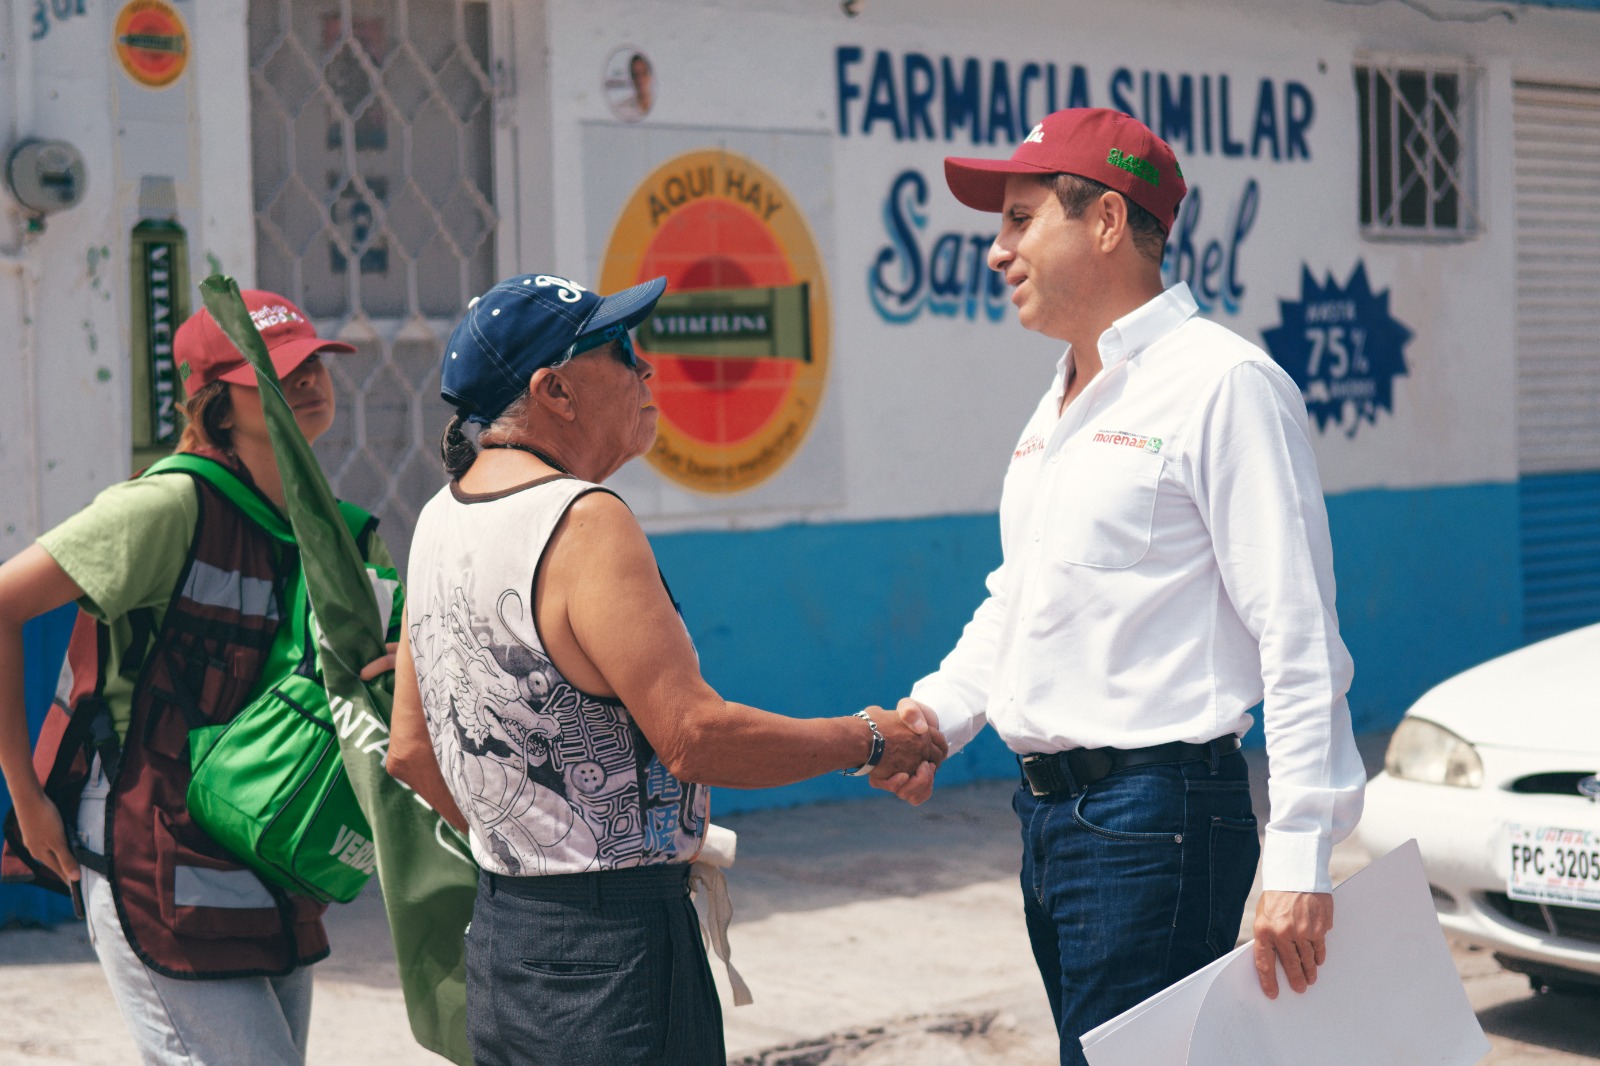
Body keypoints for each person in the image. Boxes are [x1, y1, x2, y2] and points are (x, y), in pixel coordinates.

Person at [869, 108, 1367, 1064]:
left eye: (1019, 220)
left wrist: (1302, 852)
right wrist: (935, 715)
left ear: (1104, 220)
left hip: (1158, 818)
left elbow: (1298, 633)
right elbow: (1020, 599)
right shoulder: (1061, 401)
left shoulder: (1222, 384)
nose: (994, 250)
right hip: (1057, 823)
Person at [385, 271, 948, 1066]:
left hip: (508, 938)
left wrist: (530, 847)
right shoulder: (582, 521)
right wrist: (866, 739)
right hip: (614, 953)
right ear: (556, 392)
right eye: (620, 352)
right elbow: (693, 736)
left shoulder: (438, 520)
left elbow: (409, 750)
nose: (646, 371)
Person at [0, 291, 398, 1066]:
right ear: (215, 402)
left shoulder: (344, 533)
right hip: (152, 845)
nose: (309, 381)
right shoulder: (167, 506)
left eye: (314, 362)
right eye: (278, 373)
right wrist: (24, 797)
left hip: (276, 849)